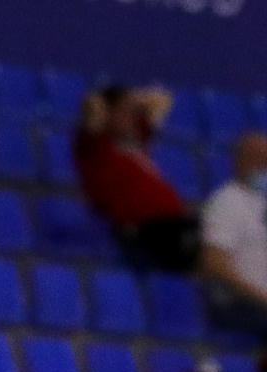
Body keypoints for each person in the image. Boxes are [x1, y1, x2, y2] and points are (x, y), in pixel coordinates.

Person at [74, 85, 200, 273]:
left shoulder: (136, 138)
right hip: (142, 229)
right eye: (123, 111)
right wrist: (122, 99)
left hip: (172, 223)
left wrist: (132, 101)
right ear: (108, 112)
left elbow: (163, 100)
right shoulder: (94, 146)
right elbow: (92, 104)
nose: (131, 117)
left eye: (133, 112)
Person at [202, 133, 267, 340]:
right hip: (237, 304)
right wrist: (261, 297)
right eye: (258, 158)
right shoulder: (226, 202)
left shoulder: (261, 202)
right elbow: (214, 263)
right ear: (240, 161)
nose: (264, 165)